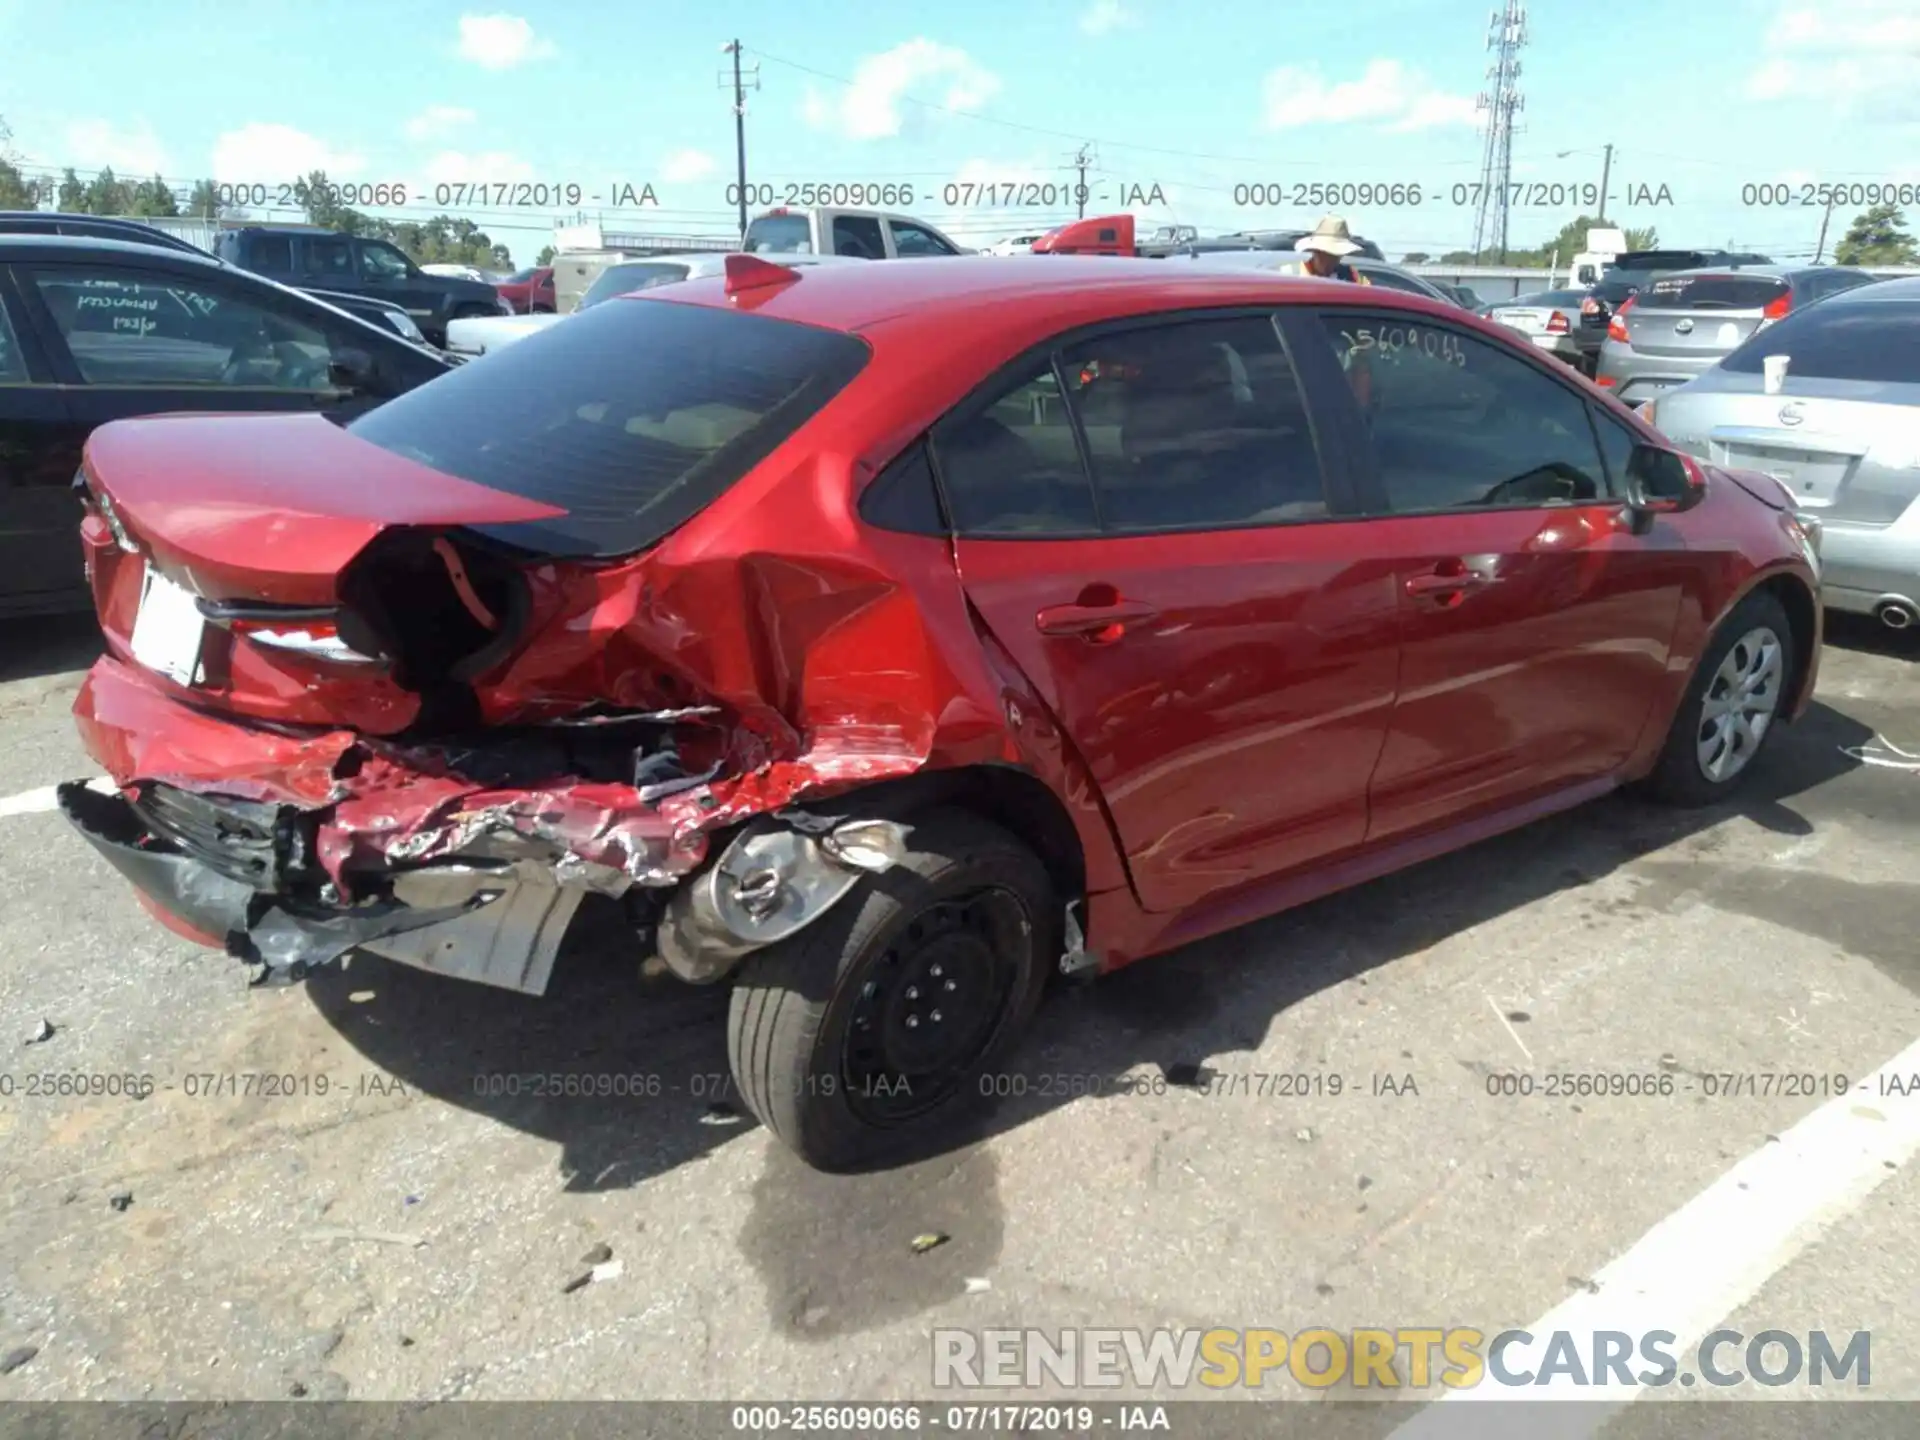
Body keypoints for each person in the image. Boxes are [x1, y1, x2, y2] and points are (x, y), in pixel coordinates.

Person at [1294, 215, 1376, 407]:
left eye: (1335, 254)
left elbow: (1372, 304)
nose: (1330, 259)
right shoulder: (1292, 277)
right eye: (1326, 253)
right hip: (1305, 356)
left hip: (1345, 359)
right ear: (1315, 250)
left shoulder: (1353, 278)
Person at [1293, 215, 1372, 283]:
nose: (1329, 262)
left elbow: (1370, 294)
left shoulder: (1352, 276)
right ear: (1315, 252)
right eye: (1325, 254)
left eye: (1335, 256)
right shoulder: (1291, 274)